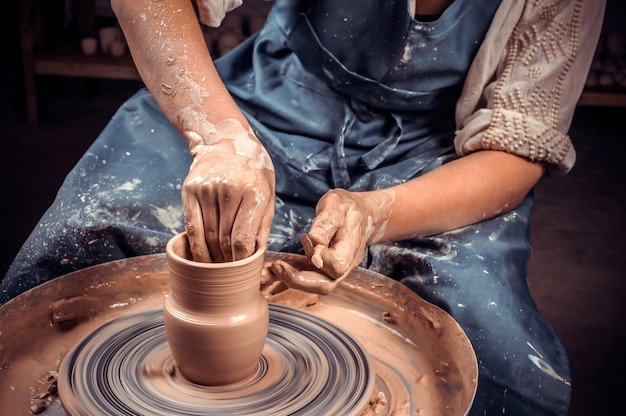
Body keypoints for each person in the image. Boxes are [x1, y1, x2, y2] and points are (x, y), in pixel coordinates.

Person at [1, 0, 605, 414]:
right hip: (266, 105)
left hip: (439, 156)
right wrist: (219, 138)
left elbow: (517, 148)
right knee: (81, 245)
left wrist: (376, 214)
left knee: (490, 351)